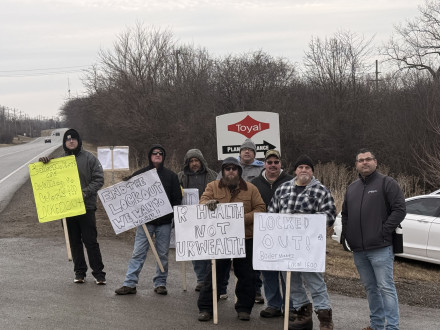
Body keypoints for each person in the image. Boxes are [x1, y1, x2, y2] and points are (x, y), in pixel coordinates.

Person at [268, 155, 336, 330]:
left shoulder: (321, 190)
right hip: (286, 245)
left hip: (309, 247)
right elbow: (271, 213)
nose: (304, 170)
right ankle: (303, 314)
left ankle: (325, 318)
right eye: (301, 167)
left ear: (312, 171)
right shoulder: (282, 189)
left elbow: (330, 215)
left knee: (315, 281)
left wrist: (307, 219)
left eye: (307, 167)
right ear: (295, 171)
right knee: (291, 280)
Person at [341, 149, 406, 330]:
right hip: (359, 250)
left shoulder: (387, 183)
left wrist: (383, 230)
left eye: (368, 159)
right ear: (356, 164)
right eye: (360, 160)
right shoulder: (352, 188)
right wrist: (347, 236)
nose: (364, 162)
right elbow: (345, 214)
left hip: (381, 247)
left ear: (375, 162)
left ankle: (392, 327)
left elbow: (400, 209)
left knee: (386, 287)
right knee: (371, 289)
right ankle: (377, 325)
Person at [197, 157, 266, 322]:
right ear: (223, 171)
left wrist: (242, 219)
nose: (230, 172)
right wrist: (208, 204)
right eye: (227, 169)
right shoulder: (213, 186)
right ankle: (206, 308)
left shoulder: (251, 188)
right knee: (214, 273)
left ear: (239, 172)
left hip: (245, 237)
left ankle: (244, 308)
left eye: (234, 169)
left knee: (247, 275)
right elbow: (202, 202)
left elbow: (261, 209)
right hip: (221, 238)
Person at [39, 128, 106, 285]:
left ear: (78, 141)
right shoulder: (58, 161)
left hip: (86, 207)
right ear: (64, 143)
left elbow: (99, 179)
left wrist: (85, 192)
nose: (71, 141)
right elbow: (47, 180)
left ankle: (99, 273)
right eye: (68, 140)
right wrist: (44, 165)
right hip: (67, 208)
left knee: (90, 241)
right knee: (74, 241)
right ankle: (80, 272)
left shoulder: (90, 158)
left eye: (73, 139)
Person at [115, 144, 182, 296]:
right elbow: (129, 196)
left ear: (163, 157)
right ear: (150, 156)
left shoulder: (171, 176)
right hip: (145, 223)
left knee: (163, 254)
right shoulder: (139, 174)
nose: (157, 155)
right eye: (154, 153)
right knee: (138, 252)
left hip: (164, 223)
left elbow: (177, 198)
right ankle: (130, 283)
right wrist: (126, 183)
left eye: (160, 153)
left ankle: (160, 283)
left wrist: (172, 216)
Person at [216, 138, 265, 302]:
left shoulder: (261, 169)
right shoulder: (229, 167)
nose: (247, 152)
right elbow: (216, 189)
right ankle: (221, 289)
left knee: (248, 264)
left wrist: (245, 218)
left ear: (254, 153)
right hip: (225, 226)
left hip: (248, 225)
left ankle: (255, 291)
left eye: (250, 150)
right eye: (244, 149)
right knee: (222, 263)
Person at [250, 150, 295, 319]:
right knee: (268, 272)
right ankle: (274, 305)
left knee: (286, 273)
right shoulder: (255, 183)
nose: (273, 165)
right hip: (264, 236)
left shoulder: (291, 181)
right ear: (265, 164)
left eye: (276, 162)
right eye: (269, 162)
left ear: (280, 164)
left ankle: (290, 306)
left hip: (286, 236)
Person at [177, 149, 217, 292]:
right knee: (196, 250)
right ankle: (201, 279)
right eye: (191, 161)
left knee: (210, 248)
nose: (194, 164)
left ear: (202, 161)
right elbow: (175, 195)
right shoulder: (180, 176)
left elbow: (220, 192)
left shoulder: (213, 175)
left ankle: (210, 279)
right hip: (191, 218)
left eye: (196, 160)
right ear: (187, 163)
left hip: (210, 216)